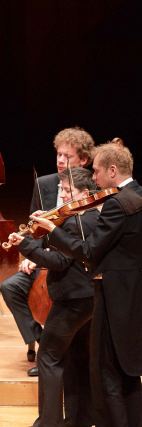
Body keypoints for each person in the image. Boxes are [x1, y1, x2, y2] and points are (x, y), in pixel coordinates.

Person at [31, 140, 142, 427]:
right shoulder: (138, 195)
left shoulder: (118, 204)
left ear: (113, 171)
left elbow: (89, 251)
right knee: (128, 373)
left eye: (96, 172)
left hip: (114, 296)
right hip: (133, 295)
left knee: (107, 376)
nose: (93, 178)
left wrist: (52, 229)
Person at [0, 127, 95, 376]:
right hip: (42, 258)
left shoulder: (89, 187)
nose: (61, 160)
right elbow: (34, 229)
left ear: (83, 160)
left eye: (68, 156)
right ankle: (45, 343)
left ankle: (56, 350)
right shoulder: (44, 184)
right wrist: (29, 257)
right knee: (10, 287)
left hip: (69, 262)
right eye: (58, 154)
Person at [9, 167, 98, 427]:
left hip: (72, 302)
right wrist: (49, 226)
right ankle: (79, 420)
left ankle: (48, 423)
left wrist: (23, 244)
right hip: (89, 298)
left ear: (84, 193)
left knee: (48, 357)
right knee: (78, 359)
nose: (62, 198)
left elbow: (58, 261)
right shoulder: (90, 217)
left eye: (68, 192)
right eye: (63, 191)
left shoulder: (76, 222)